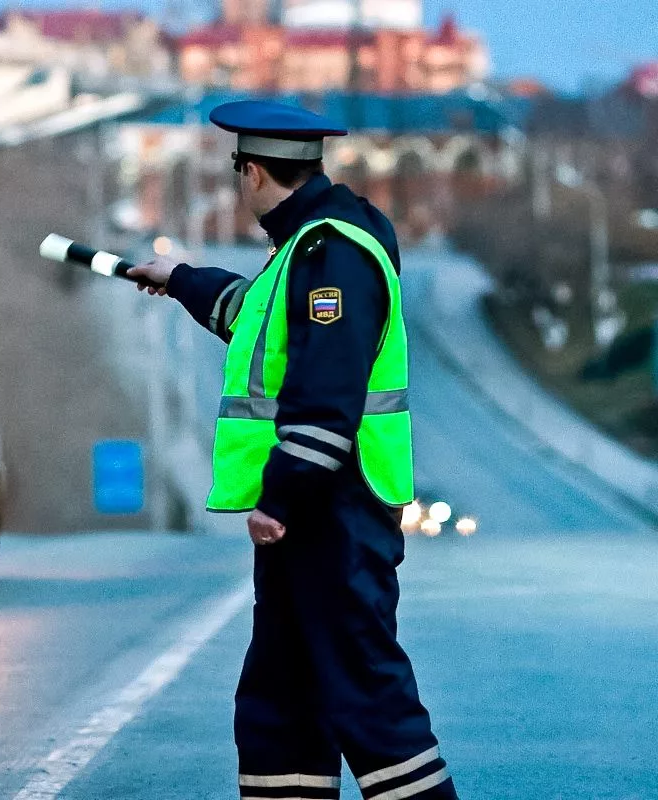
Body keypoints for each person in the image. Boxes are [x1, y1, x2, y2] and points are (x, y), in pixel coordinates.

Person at [127, 100, 459, 800]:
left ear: (250, 172)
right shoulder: (312, 245)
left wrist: (279, 500)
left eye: (237, 171)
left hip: (331, 514)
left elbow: (325, 393)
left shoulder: (330, 251)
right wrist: (180, 277)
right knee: (281, 704)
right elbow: (259, 321)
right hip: (318, 517)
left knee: (369, 700)